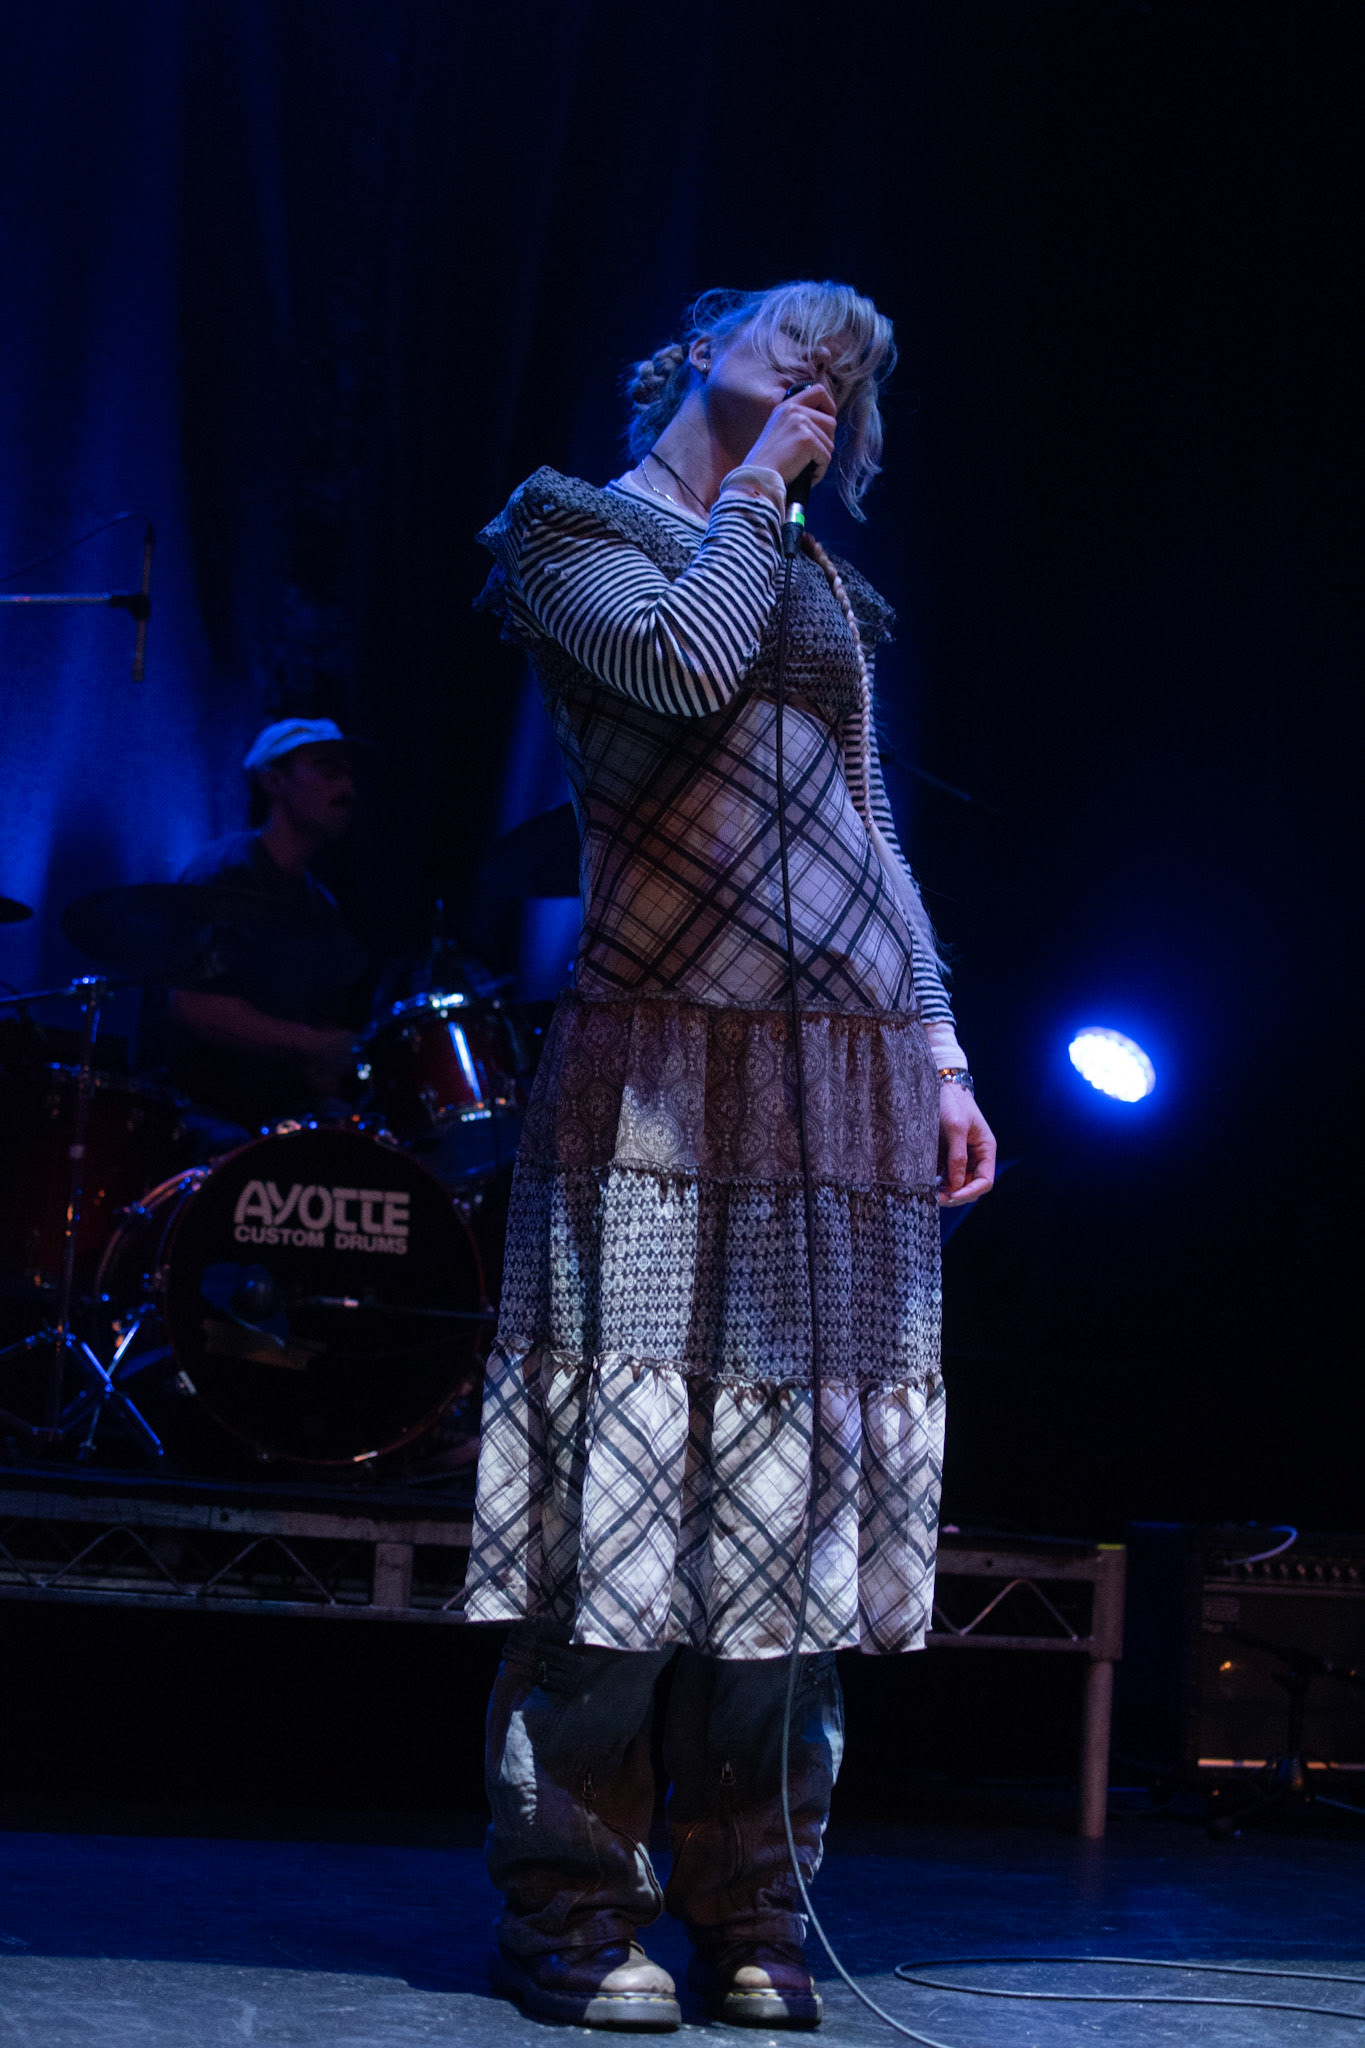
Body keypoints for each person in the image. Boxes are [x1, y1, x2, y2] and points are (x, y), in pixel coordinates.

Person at [464, 282, 997, 2031]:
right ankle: (569, 1908)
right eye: (793, 330)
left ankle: (756, 1905)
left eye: (852, 362)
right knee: (624, 1491)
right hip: (658, 1070)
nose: (822, 361)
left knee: (790, 1501)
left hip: (843, 1081)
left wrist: (942, 1045)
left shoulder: (821, 581)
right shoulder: (571, 529)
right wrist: (761, 486)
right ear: (701, 345)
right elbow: (681, 666)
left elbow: (866, 818)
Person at [141, 718, 365, 1140]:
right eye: (329, 771)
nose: (347, 790)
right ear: (273, 782)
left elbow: (316, 1034)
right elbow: (194, 1006)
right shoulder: (223, 873)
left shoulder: (321, 905)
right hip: (194, 1112)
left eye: (350, 776)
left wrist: (334, 1103)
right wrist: (313, 1044)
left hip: (273, 1116)